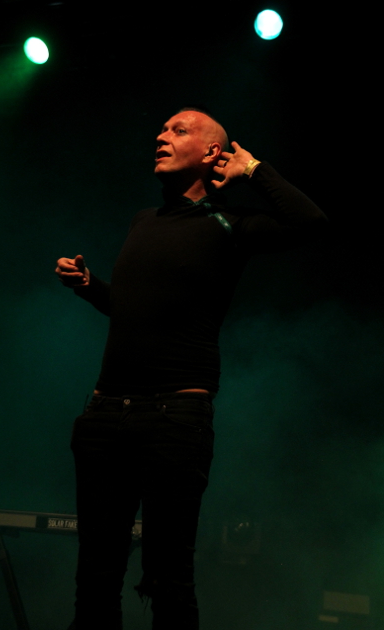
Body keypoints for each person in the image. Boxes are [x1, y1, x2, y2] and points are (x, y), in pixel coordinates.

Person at [56, 108, 328, 630]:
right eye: (161, 129)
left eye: (178, 130)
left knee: (168, 578)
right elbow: (133, 310)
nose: (161, 136)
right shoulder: (143, 220)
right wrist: (90, 288)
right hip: (105, 415)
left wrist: (254, 170)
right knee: (95, 577)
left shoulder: (230, 223)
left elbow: (311, 222)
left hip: (174, 419)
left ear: (212, 153)